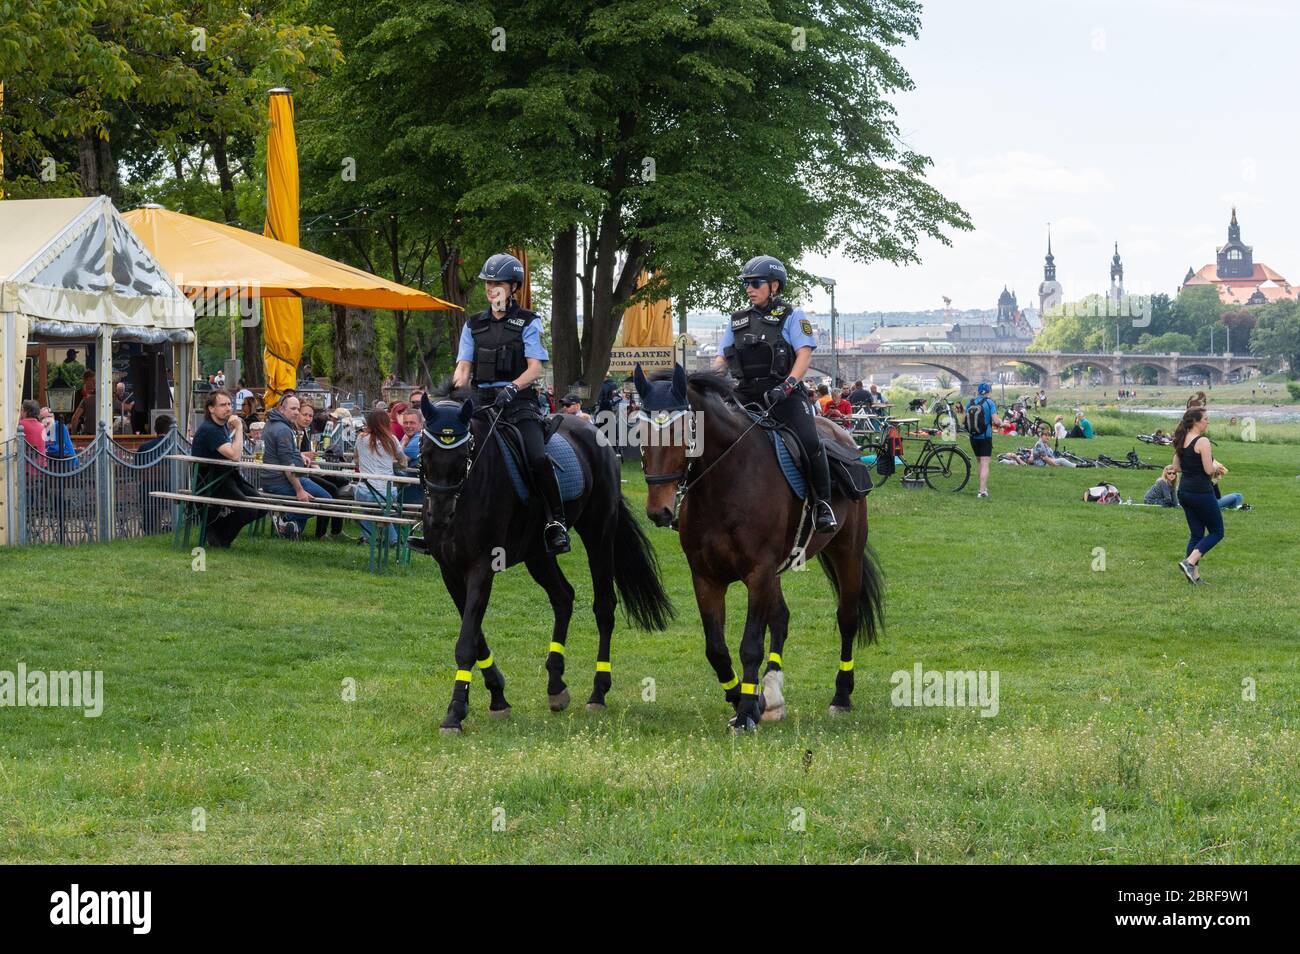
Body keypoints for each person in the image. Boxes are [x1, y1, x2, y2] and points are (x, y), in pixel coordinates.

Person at [453, 252, 569, 553]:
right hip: (480, 402)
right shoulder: (473, 325)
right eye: (488, 283)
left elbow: (535, 367)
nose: (491, 289)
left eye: (498, 284)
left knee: (537, 457)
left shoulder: (529, 321)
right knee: (444, 449)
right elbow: (463, 368)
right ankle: (437, 521)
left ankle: (555, 521)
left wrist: (513, 387)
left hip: (518, 403)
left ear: (513, 287)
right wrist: (450, 396)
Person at [713, 254, 836, 532]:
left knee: (810, 441)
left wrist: (788, 385)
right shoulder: (737, 321)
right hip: (745, 395)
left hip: (784, 395)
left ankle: (823, 505)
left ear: (775, 286)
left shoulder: (793, 316)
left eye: (755, 283)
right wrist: (707, 385)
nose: (749, 288)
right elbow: (721, 360)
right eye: (746, 284)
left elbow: (803, 354)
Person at [190, 390, 262, 547]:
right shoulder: (210, 429)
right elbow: (234, 455)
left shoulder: (221, 426)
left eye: (229, 404)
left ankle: (218, 530)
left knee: (262, 505)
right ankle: (218, 535)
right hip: (210, 481)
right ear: (211, 409)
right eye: (222, 405)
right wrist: (240, 428)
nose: (228, 408)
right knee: (249, 510)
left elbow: (233, 455)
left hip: (227, 476)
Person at [261, 394, 333, 540]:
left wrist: (300, 455)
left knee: (322, 498)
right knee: (326, 502)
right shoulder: (283, 429)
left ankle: (292, 529)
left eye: (297, 409)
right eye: (292, 408)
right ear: (281, 409)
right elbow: (288, 465)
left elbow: (282, 452)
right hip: (280, 480)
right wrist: (299, 490)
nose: (296, 412)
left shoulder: (272, 423)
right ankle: (285, 519)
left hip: (271, 478)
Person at [1171, 407, 1223, 584]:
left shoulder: (1181, 438)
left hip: (1184, 491)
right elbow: (1209, 470)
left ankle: (1195, 577)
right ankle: (1189, 562)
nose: (1207, 422)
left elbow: (1176, 467)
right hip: (1201, 492)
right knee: (1217, 531)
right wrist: (1217, 467)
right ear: (1196, 421)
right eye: (1205, 419)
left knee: (1196, 534)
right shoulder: (1203, 441)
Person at [355, 409, 405, 546]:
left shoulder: (361, 439)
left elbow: (356, 460)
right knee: (382, 507)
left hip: (364, 491)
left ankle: (366, 537)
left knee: (371, 506)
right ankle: (393, 540)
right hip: (388, 492)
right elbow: (402, 460)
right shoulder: (392, 440)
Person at [966, 382, 1001, 498]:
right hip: (985, 437)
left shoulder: (970, 402)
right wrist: (1002, 423)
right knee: (985, 463)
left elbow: (963, 420)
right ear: (988, 391)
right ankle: (981, 492)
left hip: (973, 437)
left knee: (979, 462)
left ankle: (983, 487)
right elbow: (996, 421)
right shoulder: (990, 402)